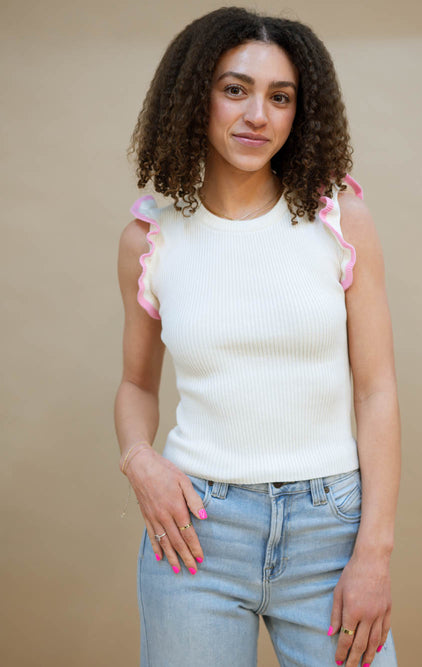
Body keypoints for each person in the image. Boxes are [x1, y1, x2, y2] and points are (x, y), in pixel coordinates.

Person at [114, 6, 401, 667]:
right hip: (197, 537)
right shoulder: (149, 239)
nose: (258, 116)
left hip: (331, 530)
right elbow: (134, 383)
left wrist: (374, 553)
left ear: (302, 111)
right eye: (234, 88)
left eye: (281, 97)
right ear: (195, 96)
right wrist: (140, 459)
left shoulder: (340, 220)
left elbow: (377, 391)